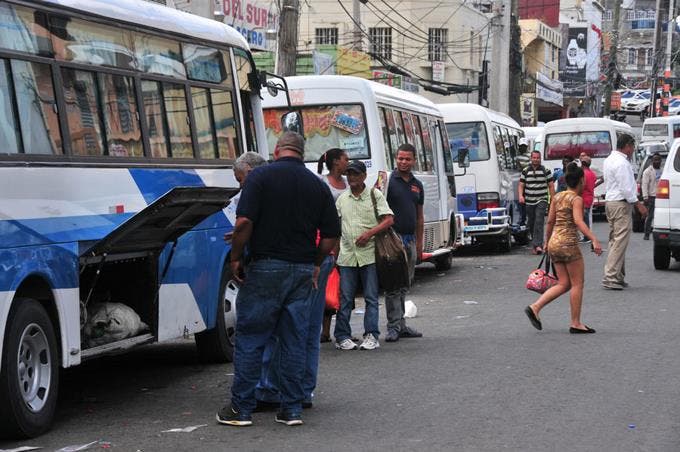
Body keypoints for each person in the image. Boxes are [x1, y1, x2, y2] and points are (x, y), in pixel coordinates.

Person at [216, 131, 340, 427]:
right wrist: (315, 263)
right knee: (294, 339)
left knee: (251, 338)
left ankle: (241, 409)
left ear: (277, 149)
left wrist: (236, 257)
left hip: (265, 268)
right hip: (301, 271)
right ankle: (291, 409)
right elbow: (332, 236)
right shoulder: (317, 185)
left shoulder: (260, 178)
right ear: (301, 151)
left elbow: (244, 222)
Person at [524, 163, 603, 334]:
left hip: (554, 243)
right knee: (577, 284)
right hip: (568, 244)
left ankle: (535, 307)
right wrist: (594, 239)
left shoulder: (557, 197)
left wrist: (546, 242)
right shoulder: (576, 199)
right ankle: (576, 323)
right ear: (581, 180)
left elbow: (550, 221)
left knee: (564, 283)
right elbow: (579, 221)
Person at [334, 161, 394, 350]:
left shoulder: (374, 195)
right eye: (349, 174)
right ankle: (342, 336)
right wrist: (334, 254)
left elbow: (389, 219)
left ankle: (371, 335)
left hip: (369, 255)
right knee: (345, 299)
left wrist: (369, 233)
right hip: (347, 256)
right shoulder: (342, 199)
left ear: (363, 176)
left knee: (370, 297)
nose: (352, 178)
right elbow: (336, 228)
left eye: (356, 174)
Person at [384, 143, 424, 342]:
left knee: (405, 283)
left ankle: (401, 325)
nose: (403, 162)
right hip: (393, 240)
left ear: (414, 160)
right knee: (393, 284)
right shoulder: (388, 182)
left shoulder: (417, 184)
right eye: (400, 158)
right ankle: (392, 327)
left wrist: (419, 243)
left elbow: (419, 217)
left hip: (410, 240)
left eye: (407, 159)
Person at [601, 134, 647, 290]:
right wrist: (638, 205)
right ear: (627, 146)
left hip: (611, 203)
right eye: (633, 146)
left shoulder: (609, 160)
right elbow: (626, 189)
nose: (633, 150)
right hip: (620, 203)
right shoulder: (622, 163)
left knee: (615, 240)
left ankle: (618, 275)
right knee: (620, 241)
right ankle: (611, 276)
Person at [316, 148, 349, 342]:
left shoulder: (347, 182)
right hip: (328, 240)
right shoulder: (322, 183)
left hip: (348, 240)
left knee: (343, 288)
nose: (348, 163)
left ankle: (341, 329)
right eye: (346, 159)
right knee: (325, 285)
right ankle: (324, 331)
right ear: (336, 162)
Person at [519, 150, 555, 254]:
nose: (536, 159)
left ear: (540, 158)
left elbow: (551, 185)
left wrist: (553, 199)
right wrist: (521, 196)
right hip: (529, 201)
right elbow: (521, 185)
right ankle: (535, 245)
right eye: (534, 158)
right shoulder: (525, 171)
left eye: (538, 158)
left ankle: (538, 245)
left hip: (542, 200)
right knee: (531, 222)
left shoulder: (546, 171)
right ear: (531, 158)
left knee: (539, 221)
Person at [641, 152, 663, 240]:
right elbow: (644, 185)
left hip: (661, 196)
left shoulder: (663, 170)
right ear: (652, 161)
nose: (657, 161)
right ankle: (646, 234)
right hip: (652, 197)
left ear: (661, 161)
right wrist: (645, 197)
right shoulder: (647, 171)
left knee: (661, 215)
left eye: (658, 160)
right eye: (655, 160)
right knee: (650, 216)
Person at [578, 153, 597, 240]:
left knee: (583, 218)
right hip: (589, 197)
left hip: (583, 198)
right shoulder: (592, 174)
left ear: (582, 164)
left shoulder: (583, 174)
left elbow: (583, 185)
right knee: (586, 218)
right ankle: (587, 235)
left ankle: (586, 236)